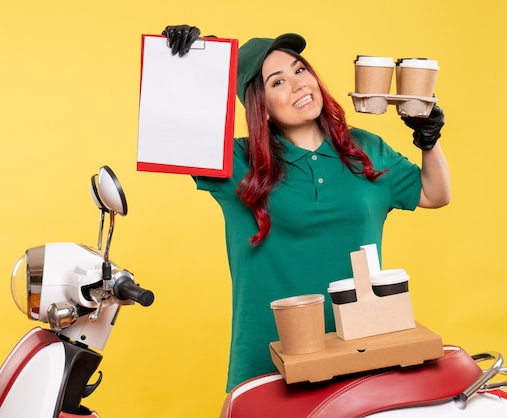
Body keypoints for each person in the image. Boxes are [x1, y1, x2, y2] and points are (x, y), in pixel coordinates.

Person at [161, 25, 450, 392]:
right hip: (269, 363)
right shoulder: (236, 162)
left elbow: (433, 194)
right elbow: (167, 135)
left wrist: (429, 140)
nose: (298, 84)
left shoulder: (365, 148)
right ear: (259, 106)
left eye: (300, 70)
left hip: (364, 354)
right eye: (277, 82)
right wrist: (189, 62)